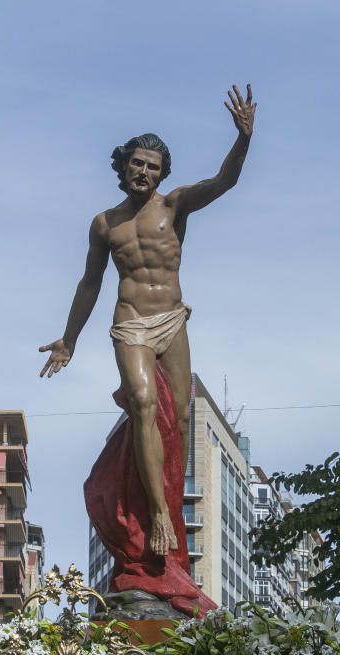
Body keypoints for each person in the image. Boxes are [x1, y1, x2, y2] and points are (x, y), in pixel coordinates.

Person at [40, 84, 257, 557]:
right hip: (131, 322)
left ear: (162, 174)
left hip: (172, 320)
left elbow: (225, 181)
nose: (144, 172)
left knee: (179, 419)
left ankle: (171, 512)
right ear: (123, 166)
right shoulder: (105, 224)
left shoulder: (174, 205)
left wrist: (243, 139)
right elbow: (90, 284)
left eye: (153, 167)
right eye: (137, 163)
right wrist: (68, 341)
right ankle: (157, 514)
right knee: (141, 402)